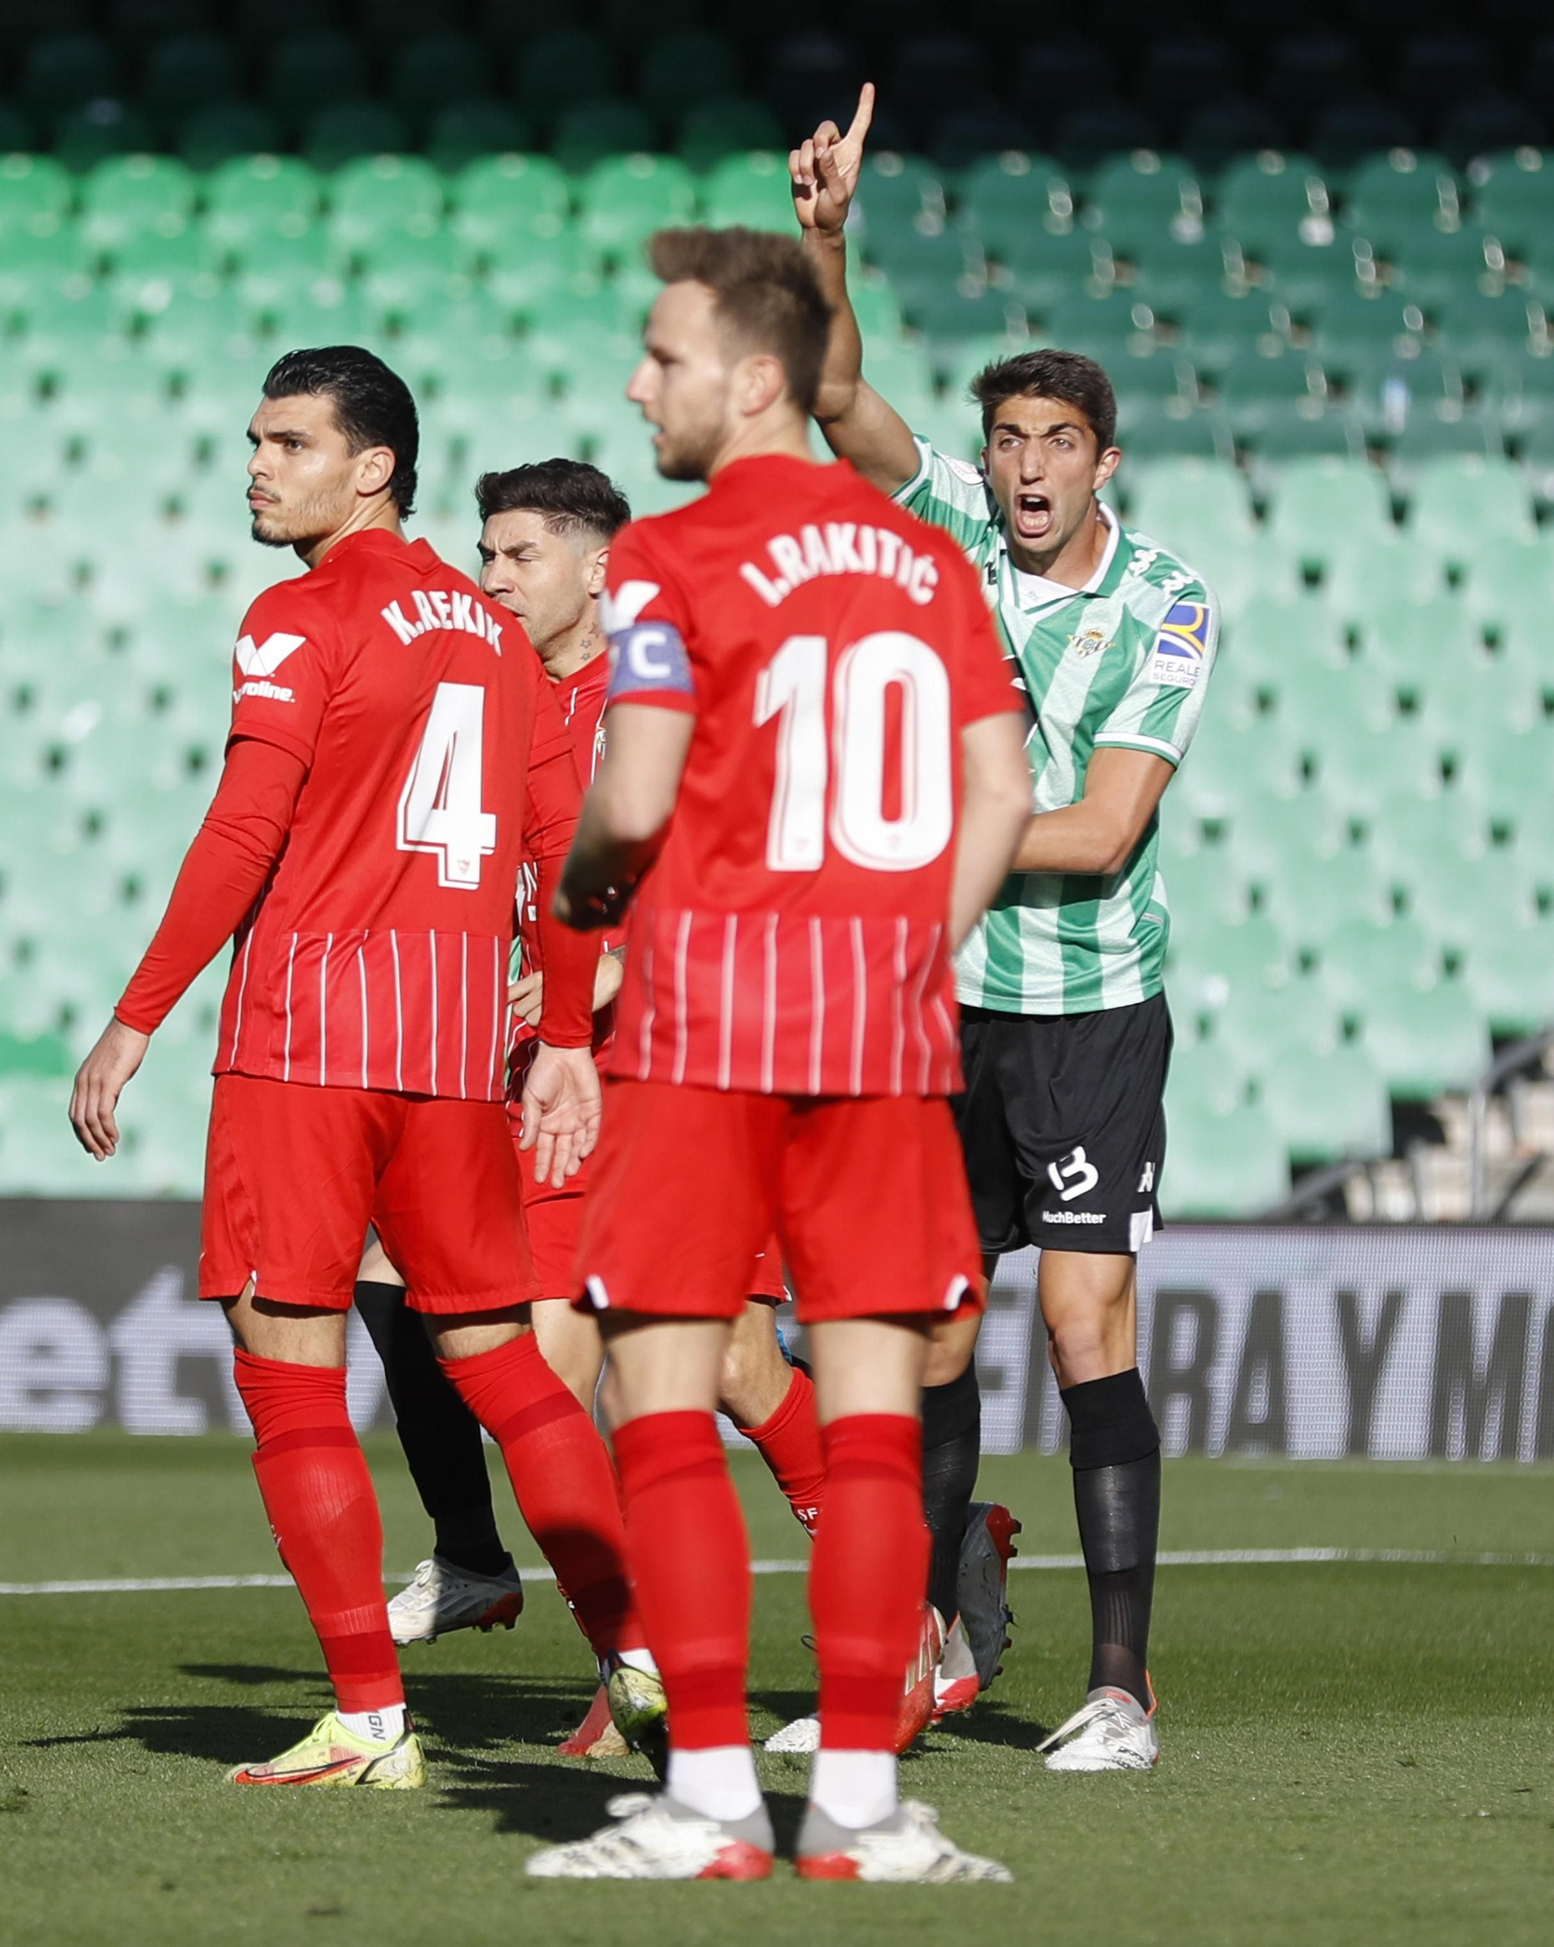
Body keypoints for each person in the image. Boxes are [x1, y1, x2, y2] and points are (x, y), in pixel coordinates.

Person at [524, 227, 1032, 1883]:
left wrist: (586, 887)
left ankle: (714, 1803)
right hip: (883, 1034)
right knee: (873, 1420)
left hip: (702, 1028)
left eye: (663, 358)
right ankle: (864, 1810)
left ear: (752, 379)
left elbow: (637, 794)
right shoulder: (928, 561)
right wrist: (913, 950)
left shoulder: (671, 556)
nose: (637, 385)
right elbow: (1002, 792)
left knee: (663, 1402)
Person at [68, 346, 649, 1789]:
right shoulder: (498, 634)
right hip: (455, 1054)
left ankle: (370, 1720)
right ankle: (637, 1649)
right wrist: (559, 1034)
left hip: (308, 1041)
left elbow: (244, 830)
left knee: (288, 1369)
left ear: (373, 467)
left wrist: (138, 1014)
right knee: (500, 1359)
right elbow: (561, 850)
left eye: (289, 444)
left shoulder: (301, 612)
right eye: (255, 441)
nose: (257, 468)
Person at [790, 87, 1220, 1772]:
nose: (1029, 468)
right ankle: (918, 1651)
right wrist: (828, 240)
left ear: (1105, 463)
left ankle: (1118, 1689)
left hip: (1091, 1006)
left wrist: (913, 851)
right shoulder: (954, 519)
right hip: (944, 1008)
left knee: (1082, 1324)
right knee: (934, 1328)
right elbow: (839, 399)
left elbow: (1104, 830)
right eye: (1012, 440)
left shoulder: (1166, 602)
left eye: (1058, 443)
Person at [353, 459, 828, 1758]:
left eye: (519, 556)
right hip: (552, 1075)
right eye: (486, 554)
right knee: (534, 1370)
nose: (493, 578)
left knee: (726, 1362)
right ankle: (633, 1665)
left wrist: (622, 959)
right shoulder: (503, 694)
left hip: (691, 1064)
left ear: (600, 565)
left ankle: (905, 1592)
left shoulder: (669, 687)